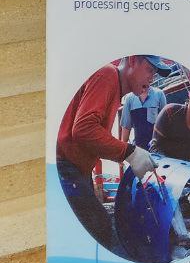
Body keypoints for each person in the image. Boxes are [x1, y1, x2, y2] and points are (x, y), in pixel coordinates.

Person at [56, 55, 159, 249]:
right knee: (101, 231)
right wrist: (130, 152)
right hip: (66, 168)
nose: (152, 78)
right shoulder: (107, 74)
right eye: (150, 70)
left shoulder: (113, 88)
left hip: (77, 170)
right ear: (132, 60)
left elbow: (91, 137)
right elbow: (84, 129)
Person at [119, 75, 167, 148]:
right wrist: (123, 148)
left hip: (156, 146)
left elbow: (165, 123)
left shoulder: (159, 94)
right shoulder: (129, 98)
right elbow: (126, 126)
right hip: (138, 146)